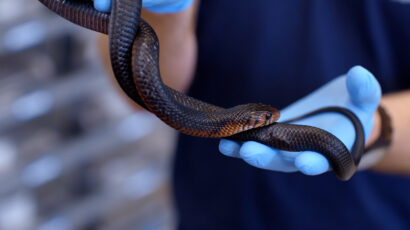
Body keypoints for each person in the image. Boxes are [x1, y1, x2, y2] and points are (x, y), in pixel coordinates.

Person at [95, 0, 410, 229]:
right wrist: (168, 14)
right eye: (260, 121)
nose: (267, 121)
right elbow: (141, 94)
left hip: (370, 216)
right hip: (215, 210)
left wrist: (378, 127)